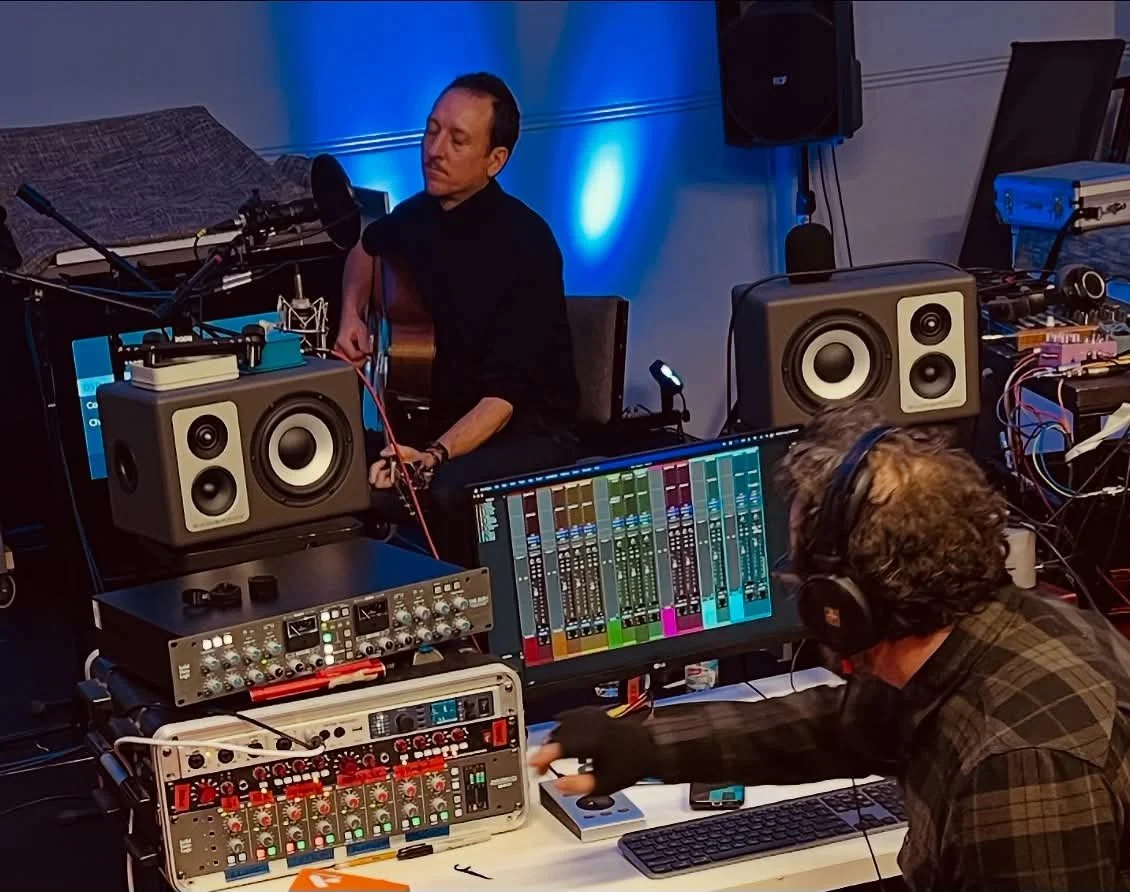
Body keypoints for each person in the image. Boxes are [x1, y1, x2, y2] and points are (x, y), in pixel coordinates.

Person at [531, 401, 1130, 891]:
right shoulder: (991, 639)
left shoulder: (1022, 766)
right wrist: (642, 745)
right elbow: (836, 726)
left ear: (841, 601)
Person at [334, 72, 579, 563]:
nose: (435, 150)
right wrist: (351, 315)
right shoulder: (417, 215)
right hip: (439, 421)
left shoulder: (526, 245)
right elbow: (365, 249)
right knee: (326, 465)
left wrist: (431, 457)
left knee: (447, 489)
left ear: (495, 160)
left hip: (526, 430)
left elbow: (502, 400)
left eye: (457, 140)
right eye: (431, 131)